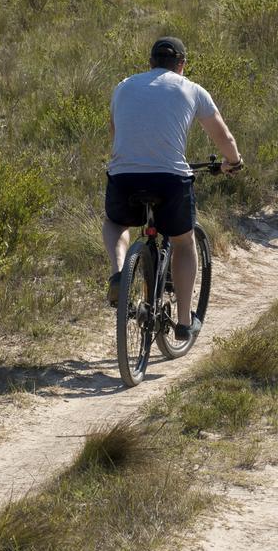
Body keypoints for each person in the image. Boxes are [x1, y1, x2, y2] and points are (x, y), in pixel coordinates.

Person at [103, 36, 243, 339]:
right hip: (170, 179)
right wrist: (232, 162)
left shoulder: (124, 85)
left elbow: (115, 134)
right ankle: (182, 322)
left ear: (150, 63)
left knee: (116, 223)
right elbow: (225, 138)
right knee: (183, 241)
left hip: (124, 174)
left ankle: (118, 275)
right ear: (182, 65)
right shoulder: (191, 88)